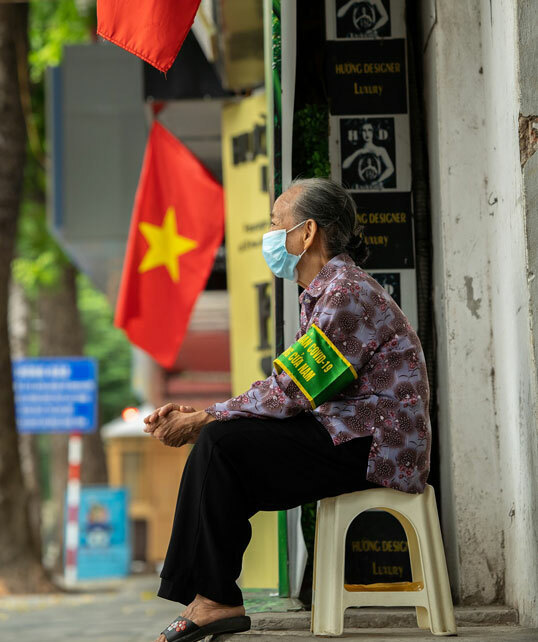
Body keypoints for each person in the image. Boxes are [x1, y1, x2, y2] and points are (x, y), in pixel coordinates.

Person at [144, 177, 431, 642]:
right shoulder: (326, 290)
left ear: (307, 232)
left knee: (222, 444)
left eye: (276, 223)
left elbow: (292, 390)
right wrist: (210, 414)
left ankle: (214, 598)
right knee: (227, 451)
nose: (271, 235)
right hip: (348, 435)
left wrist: (207, 418)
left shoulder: (344, 293)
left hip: (374, 446)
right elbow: (295, 386)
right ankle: (213, 596)